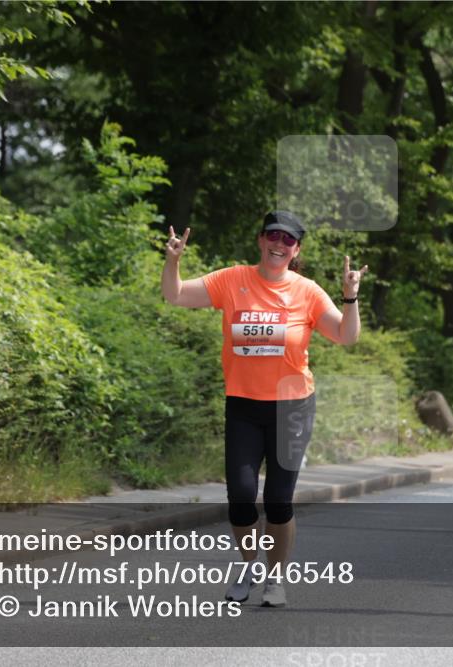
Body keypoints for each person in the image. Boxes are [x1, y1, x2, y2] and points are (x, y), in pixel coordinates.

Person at [160, 210, 367, 607]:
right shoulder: (232, 279)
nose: (279, 244)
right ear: (260, 240)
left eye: (288, 240)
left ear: (296, 250)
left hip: (292, 407)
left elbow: (346, 335)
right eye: (273, 235)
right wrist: (173, 262)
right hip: (243, 404)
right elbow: (175, 295)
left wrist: (350, 296)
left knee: (277, 500)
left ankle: (275, 577)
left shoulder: (307, 291)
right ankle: (250, 564)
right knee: (239, 496)